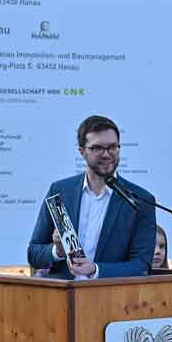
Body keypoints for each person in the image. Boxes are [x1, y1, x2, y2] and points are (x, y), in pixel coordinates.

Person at [27, 115, 157, 279]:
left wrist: (96, 270)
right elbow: (33, 253)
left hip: (111, 298)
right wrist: (57, 250)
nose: (106, 154)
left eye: (112, 147)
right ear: (82, 151)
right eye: (97, 148)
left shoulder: (139, 200)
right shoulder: (60, 191)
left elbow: (141, 266)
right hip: (61, 298)